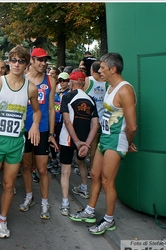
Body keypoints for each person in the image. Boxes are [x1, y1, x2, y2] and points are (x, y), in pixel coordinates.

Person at [0, 45, 41, 240]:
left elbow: (37, 111)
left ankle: (2, 220)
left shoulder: (30, 88)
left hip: (15, 143)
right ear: (8, 62)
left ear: (27, 64)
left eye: (21, 61)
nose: (17, 64)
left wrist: (35, 125)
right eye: (13, 60)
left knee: (9, 185)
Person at [69, 52, 137, 235]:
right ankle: (90, 211)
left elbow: (132, 126)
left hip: (117, 139)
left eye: (103, 68)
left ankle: (109, 219)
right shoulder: (109, 86)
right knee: (95, 174)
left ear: (113, 69)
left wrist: (128, 143)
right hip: (105, 137)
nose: (100, 71)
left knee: (108, 181)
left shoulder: (125, 90)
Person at [19, 47, 58, 219]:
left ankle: (44, 202)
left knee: (42, 169)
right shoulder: (22, 80)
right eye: (40, 60)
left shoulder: (50, 80)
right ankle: (29, 196)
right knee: (26, 166)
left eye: (45, 60)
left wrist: (51, 133)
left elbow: (51, 108)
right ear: (32, 61)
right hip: (24, 130)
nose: (44, 63)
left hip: (42, 130)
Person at [59, 70, 99, 215]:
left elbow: (67, 121)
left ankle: (65, 203)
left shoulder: (67, 97)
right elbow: (95, 125)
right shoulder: (91, 99)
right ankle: (84, 188)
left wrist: (76, 142)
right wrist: (86, 144)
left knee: (65, 170)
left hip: (68, 139)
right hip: (84, 139)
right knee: (81, 163)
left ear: (73, 82)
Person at [75, 61, 108, 178]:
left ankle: (84, 167)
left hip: (86, 119)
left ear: (92, 70)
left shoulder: (88, 80)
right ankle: (92, 170)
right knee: (95, 147)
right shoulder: (107, 83)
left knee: (85, 145)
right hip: (102, 120)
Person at [47, 72, 71, 175]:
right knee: (52, 141)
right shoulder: (55, 90)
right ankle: (53, 159)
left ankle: (61, 163)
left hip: (63, 122)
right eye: (60, 80)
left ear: (68, 81)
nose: (62, 83)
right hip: (53, 120)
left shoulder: (69, 93)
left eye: (64, 80)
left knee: (61, 142)